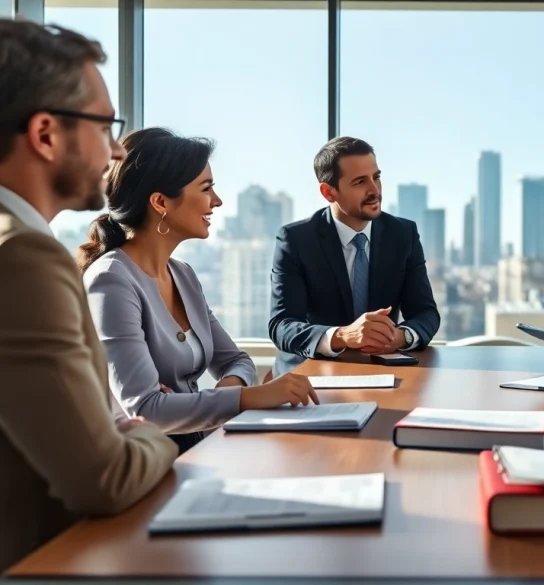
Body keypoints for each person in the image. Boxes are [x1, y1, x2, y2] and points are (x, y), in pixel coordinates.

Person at [0, 20, 176, 571]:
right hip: (51, 560)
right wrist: (155, 438)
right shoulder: (23, 257)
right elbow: (106, 478)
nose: (118, 146)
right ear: (47, 134)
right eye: (105, 125)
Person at [80, 128, 319, 454]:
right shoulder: (111, 281)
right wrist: (248, 397)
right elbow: (147, 410)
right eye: (206, 188)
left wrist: (218, 392)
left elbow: (238, 360)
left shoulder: (184, 275)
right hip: (141, 465)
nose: (217, 201)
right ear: (161, 202)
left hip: (195, 447)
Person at [269, 136, 440, 375]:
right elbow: (282, 325)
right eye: (360, 182)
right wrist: (342, 336)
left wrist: (400, 337)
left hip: (383, 372)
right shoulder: (296, 240)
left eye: (376, 177)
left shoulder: (403, 234)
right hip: (313, 374)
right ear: (328, 192)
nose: (374, 190)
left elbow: (426, 313)